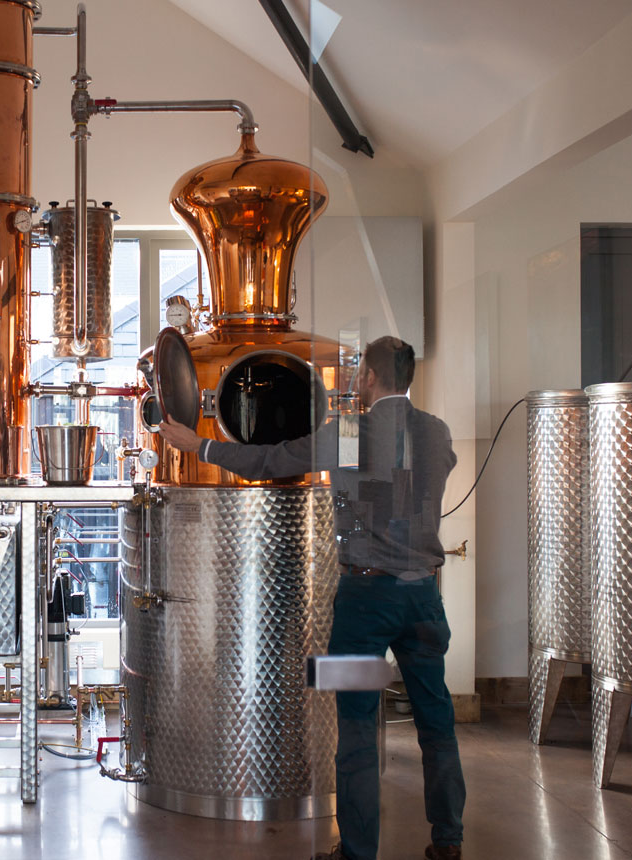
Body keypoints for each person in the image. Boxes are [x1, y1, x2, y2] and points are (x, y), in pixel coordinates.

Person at [157, 336, 466, 860]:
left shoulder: (351, 433)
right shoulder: (434, 431)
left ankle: (358, 853)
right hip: (423, 599)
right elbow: (444, 463)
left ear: (369, 378)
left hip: (365, 602)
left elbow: (272, 461)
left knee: (357, 726)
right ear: (407, 378)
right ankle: (448, 841)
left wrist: (200, 446)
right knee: (436, 720)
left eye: (360, 373)